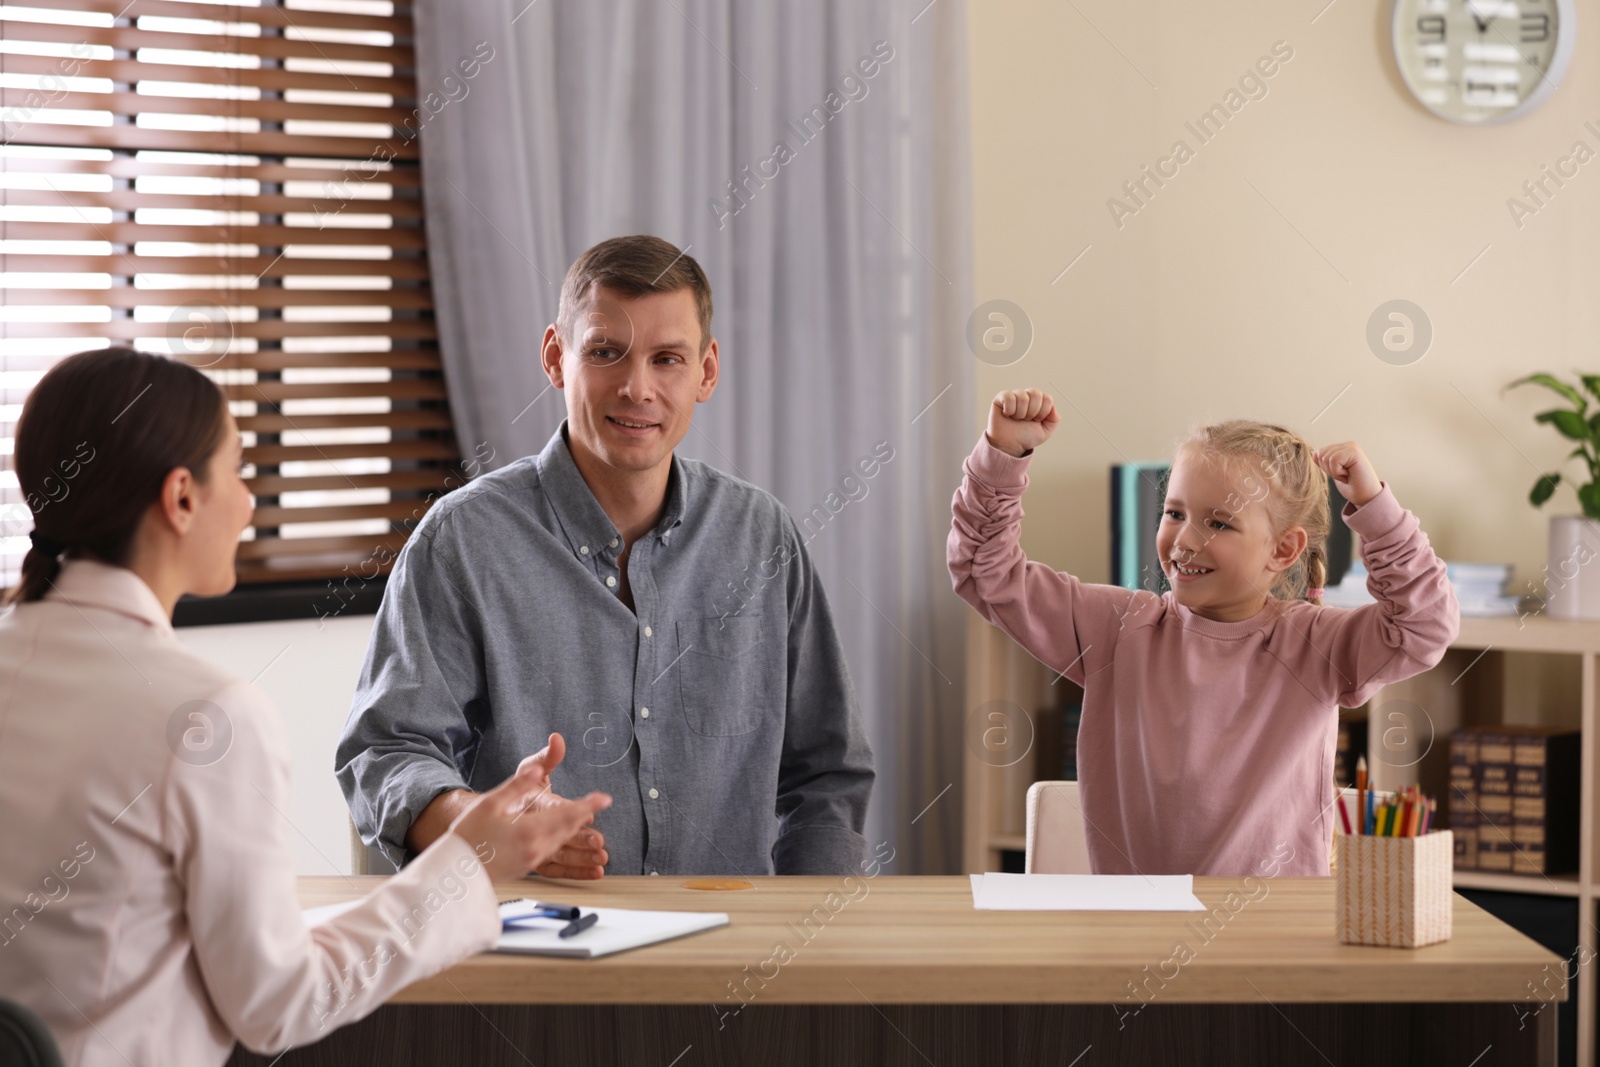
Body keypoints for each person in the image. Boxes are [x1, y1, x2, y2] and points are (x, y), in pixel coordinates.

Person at [0, 348, 610, 1067]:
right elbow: (278, 1002)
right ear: (182, 497)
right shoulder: (206, 717)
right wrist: (469, 865)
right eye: (239, 471)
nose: (250, 502)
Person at [337, 235, 875, 878]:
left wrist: (803, 941)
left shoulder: (763, 539)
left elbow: (826, 777)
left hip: (733, 961)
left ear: (706, 371)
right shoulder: (463, 541)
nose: (636, 387)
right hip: (527, 951)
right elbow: (386, 752)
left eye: (667, 359)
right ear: (555, 357)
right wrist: (486, 824)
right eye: (605, 353)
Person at [948, 387, 1459, 876]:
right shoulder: (1116, 630)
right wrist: (1001, 458)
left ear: (1283, 550)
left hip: (1273, 934)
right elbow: (984, 573)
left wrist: (1376, 511)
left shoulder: (1313, 643)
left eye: (1219, 523)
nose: (1184, 540)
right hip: (1138, 933)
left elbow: (1425, 625)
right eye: (1174, 513)